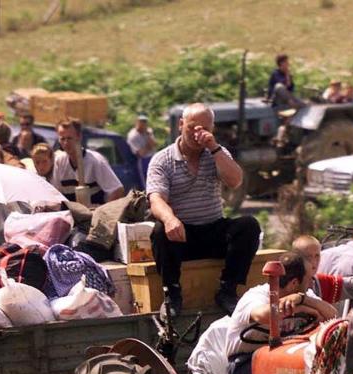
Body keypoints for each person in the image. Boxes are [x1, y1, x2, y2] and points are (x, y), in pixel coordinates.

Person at [146, 102, 261, 317]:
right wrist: (171, 219)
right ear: (181, 125)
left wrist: (214, 148)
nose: (197, 134)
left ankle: (228, 290)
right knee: (160, 231)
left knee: (248, 225)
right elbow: (156, 199)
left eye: (203, 128)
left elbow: (235, 181)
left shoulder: (216, 153)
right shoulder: (162, 160)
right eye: (192, 127)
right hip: (182, 235)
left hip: (213, 229)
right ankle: (172, 294)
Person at [225, 252, 335, 374]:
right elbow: (262, 315)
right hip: (244, 363)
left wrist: (303, 300)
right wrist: (301, 308)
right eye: (309, 279)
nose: (311, 284)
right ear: (294, 283)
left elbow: (333, 316)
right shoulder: (256, 296)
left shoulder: (304, 295)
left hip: (286, 356)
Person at [293, 235, 353, 304]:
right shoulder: (285, 282)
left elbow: (351, 283)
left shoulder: (319, 283)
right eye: (308, 257)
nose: (314, 262)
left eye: (317, 256)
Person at [51, 119, 124, 204]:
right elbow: (55, 193)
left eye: (69, 138)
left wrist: (102, 212)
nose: (66, 143)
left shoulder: (96, 161)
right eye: (62, 139)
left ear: (78, 137)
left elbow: (117, 190)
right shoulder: (59, 162)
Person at [127, 114, 157, 188]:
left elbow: (154, 144)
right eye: (141, 122)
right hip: (142, 160)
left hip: (152, 157)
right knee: (145, 182)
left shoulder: (148, 132)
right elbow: (141, 153)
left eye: (145, 122)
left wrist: (149, 135)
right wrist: (148, 146)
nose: (143, 124)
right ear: (137, 123)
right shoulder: (133, 136)